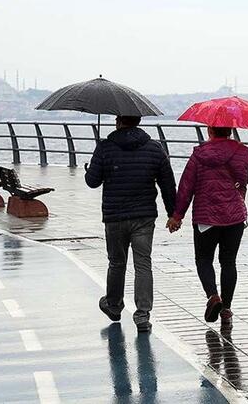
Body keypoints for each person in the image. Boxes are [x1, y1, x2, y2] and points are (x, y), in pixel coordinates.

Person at [85, 115, 176, 333]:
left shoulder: (105, 147)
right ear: (138, 121)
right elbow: (167, 184)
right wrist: (174, 214)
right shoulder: (154, 149)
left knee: (117, 262)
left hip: (115, 216)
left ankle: (114, 305)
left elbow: (92, 182)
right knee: (143, 263)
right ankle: (142, 314)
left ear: (118, 121)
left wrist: (90, 168)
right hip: (144, 216)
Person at [167, 126, 248, 324]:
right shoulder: (242, 151)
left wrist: (177, 215)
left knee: (203, 259)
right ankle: (226, 309)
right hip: (234, 216)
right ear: (231, 130)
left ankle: (213, 296)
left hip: (205, 218)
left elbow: (186, 186)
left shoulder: (199, 154)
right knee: (228, 262)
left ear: (210, 130)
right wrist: (242, 160)